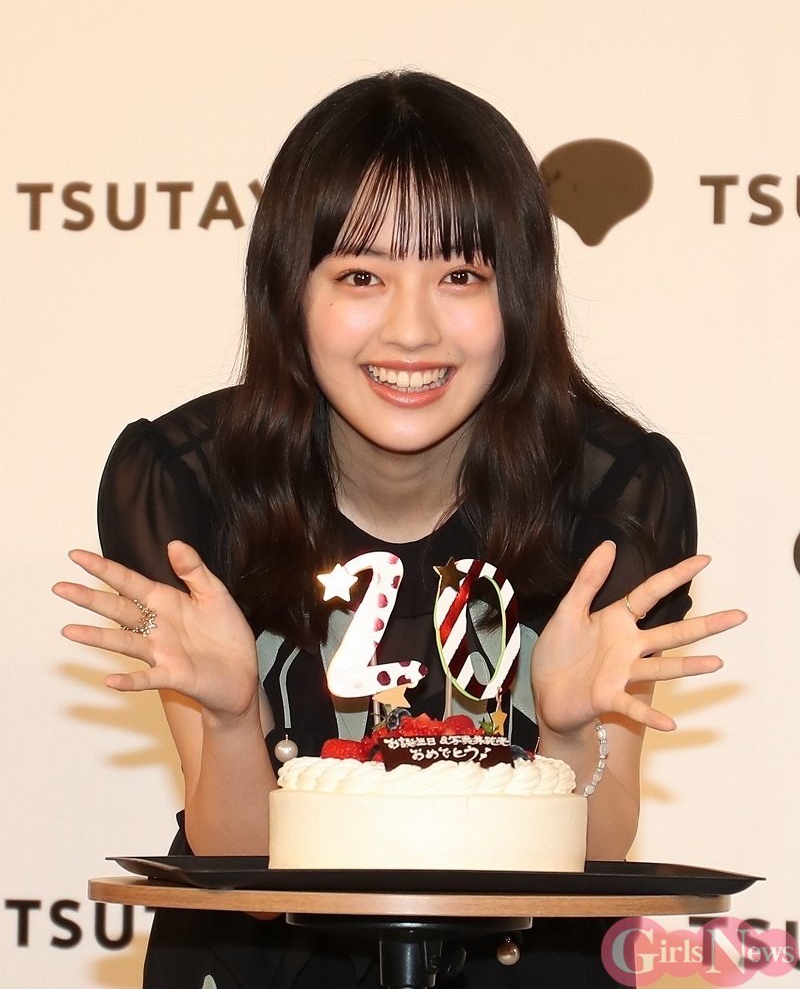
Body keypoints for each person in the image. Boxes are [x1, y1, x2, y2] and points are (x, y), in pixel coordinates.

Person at [54, 70, 745, 988]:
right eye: (361, 276)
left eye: (460, 276)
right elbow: (240, 874)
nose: (412, 331)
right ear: (289, 292)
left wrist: (571, 737)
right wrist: (231, 719)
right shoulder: (189, 483)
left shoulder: (613, 491)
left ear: (521, 294)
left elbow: (594, 863)